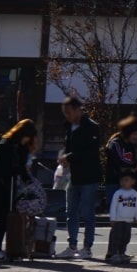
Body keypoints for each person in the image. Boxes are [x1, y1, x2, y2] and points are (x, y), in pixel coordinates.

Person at [0, 120, 37, 262]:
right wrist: (18, 172)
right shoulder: (5, 145)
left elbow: (21, 166)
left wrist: (27, 179)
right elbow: (1, 169)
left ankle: (11, 250)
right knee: (3, 219)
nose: (28, 140)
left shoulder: (17, 146)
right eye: (28, 137)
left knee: (7, 220)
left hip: (10, 186)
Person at [55, 96, 103, 259]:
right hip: (72, 175)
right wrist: (64, 158)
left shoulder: (91, 127)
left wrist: (69, 156)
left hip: (89, 175)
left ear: (77, 110)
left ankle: (87, 247)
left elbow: (91, 152)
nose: (66, 115)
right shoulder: (69, 127)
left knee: (87, 212)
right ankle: (72, 245)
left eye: (68, 112)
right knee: (71, 212)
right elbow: (69, 148)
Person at [101, 117, 137, 195]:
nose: (136, 137)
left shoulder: (131, 145)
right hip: (114, 182)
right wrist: (134, 165)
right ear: (128, 132)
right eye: (134, 134)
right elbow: (120, 160)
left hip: (127, 183)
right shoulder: (116, 143)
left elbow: (132, 161)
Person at [105, 172, 137, 265]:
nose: (124, 182)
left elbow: (136, 206)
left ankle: (122, 253)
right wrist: (112, 218)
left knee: (126, 237)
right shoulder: (118, 193)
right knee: (116, 237)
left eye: (126, 180)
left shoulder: (135, 194)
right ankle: (113, 253)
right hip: (118, 219)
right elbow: (113, 206)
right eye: (122, 180)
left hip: (128, 220)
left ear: (133, 181)